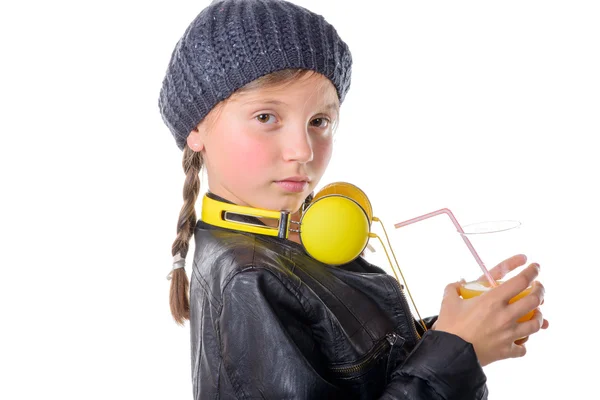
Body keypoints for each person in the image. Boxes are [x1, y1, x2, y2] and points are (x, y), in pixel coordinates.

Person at [158, 0, 548, 398]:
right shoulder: (250, 278)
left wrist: (457, 332)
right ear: (197, 129)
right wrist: (456, 352)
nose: (303, 151)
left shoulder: (287, 239)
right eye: (266, 117)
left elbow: (350, 367)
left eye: (319, 122)